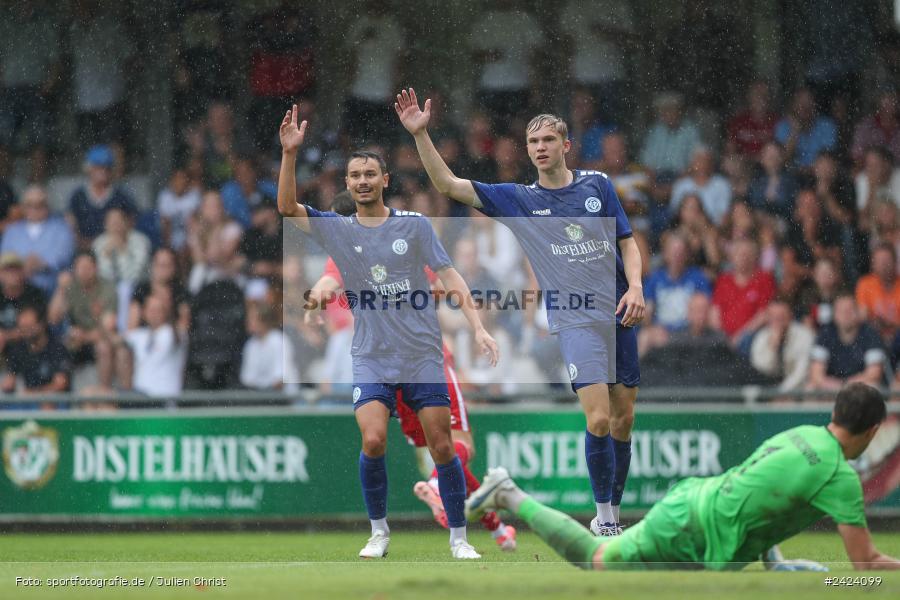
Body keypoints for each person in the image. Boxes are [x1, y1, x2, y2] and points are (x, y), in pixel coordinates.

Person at [396, 88, 644, 537]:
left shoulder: (598, 186)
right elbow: (448, 185)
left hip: (619, 310)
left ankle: (613, 507)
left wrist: (638, 287)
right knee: (600, 417)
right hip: (574, 316)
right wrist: (420, 136)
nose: (540, 148)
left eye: (548, 140)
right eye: (533, 143)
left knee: (624, 420)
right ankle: (606, 520)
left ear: (565, 145)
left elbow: (627, 242)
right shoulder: (520, 199)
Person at [277, 104, 499, 560]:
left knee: (443, 448)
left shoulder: (413, 227)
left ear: (384, 181)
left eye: (369, 174)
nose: (361, 180)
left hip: (421, 357)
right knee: (373, 439)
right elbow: (286, 207)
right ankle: (379, 532)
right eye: (354, 174)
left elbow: (450, 275)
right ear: (348, 184)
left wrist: (477, 327)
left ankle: (459, 538)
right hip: (373, 356)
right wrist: (289, 156)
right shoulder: (338, 231)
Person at [467, 383, 900, 571]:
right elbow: (862, 570)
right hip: (691, 526)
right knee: (596, 561)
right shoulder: (839, 476)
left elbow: (760, 493)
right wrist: (835, 580)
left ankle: (507, 492)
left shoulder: (802, 434)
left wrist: (777, 563)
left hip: (694, 506)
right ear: (873, 431)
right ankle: (508, 493)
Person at [309, 254, 517, 551]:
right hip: (427, 362)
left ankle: (496, 528)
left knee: (438, 455)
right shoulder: (409, 246)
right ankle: (439, 494)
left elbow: (330, 282)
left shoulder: (352, 253)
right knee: (456, 448)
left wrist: (315, 300)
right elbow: (441, 285)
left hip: (384, 366)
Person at [0, 185, 75, 295]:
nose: (35, 208)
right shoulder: (12, 231)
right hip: (18, 291)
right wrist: (22, 267)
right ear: (23, 207)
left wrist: (41, 263)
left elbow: (64, 256)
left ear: (48, 206)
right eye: (30, 205)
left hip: (50, 289)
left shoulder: (61, 228)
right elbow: (4, 258)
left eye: (40, 204)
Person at [808, 294, 885, 391]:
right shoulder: (825, 334)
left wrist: (847, 385)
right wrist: (837, 386)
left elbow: (874, 374)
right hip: (831, 387)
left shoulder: (871, 334)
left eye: (850, 310)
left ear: (858, 312)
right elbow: (816, 375)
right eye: (841, 311)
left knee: (874, 386)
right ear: (834, 314)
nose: (846, 314)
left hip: (859, 387)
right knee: (811, 388)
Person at [2, 305, 71, 397]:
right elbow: (9, 382)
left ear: (41, 325)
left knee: (47, 407)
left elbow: (61, 384)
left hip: (54, 402)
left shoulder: (57, 349)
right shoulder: (19, 349)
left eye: (29, 326)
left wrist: (34, 394)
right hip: (27, 403)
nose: (25, 331)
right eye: (22, 327)